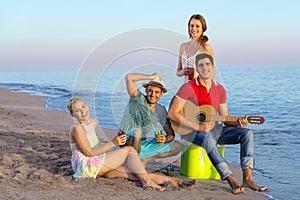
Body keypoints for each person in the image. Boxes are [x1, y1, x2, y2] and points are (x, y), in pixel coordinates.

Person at [168, 53, 267, 195]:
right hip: (191, 131)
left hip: (215, 129)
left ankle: (247, 178)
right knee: (207, 137)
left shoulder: (219, 89)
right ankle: (230, 178)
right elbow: (172, 113)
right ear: (197, 68)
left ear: (213, 68)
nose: (205, 68)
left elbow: (224, 118)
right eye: (201, 65)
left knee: (247, 134)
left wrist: (239, 122)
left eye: (208, 64)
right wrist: (197, 126)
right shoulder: (188, 88)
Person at [67, 97, 196, 191]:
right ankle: (147, 183)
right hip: (85, 166)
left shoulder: (92, 122)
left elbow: (94, 147)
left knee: (134, 173)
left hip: (95, 163)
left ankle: (176, 181)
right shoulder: (76, 128)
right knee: (129, 150)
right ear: (72, 114)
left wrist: (112, 151)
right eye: (77, 110)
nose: (83, 111)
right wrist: (113, 143)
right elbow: (88, 152)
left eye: (83, 106)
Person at [119, 73, 181, 165]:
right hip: (125, 143)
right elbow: (129, 77)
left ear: (161, 94)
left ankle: (144, 160)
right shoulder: (137, 99)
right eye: (150, 91)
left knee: (177, 146)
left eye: (157, 92)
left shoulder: (161, 110)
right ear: (146, 90)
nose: (153, 95)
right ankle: (133, 163)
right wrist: (151, 77)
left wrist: (165, 139)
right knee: (137, 132)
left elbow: (171, 135)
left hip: (141, 145)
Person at [176, 14, 214, 82]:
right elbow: (178, 71)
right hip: (185, 89)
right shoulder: (183, 47)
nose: (194, 29)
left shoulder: (206, 47)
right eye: (192, 26)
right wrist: (182, 72)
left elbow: (212, 73)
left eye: (197, 26)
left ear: (202, 28)